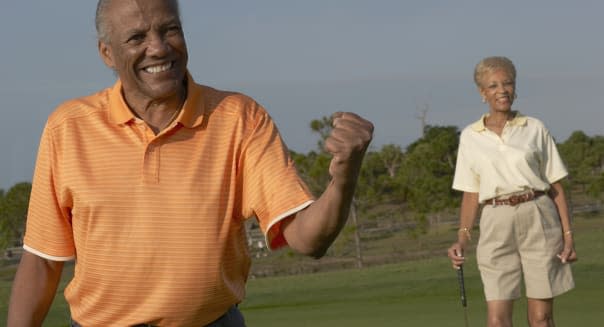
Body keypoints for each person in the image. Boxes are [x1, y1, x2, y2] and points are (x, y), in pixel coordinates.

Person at [7, 0, 373, 326]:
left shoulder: (239, 118)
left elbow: (309, 239)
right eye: (136, 38)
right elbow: (42, 261)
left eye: (171, 30)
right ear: (107, 53)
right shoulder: (68, 126)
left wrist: (344, 179)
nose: (158, 48)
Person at [447, 56, 577, 327]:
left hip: (539, 216)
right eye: (493, 85)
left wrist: (568, 236)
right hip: (495, 221)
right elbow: (471, 193)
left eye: (508, 83)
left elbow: (556, 186)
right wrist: (462, 239)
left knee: (541, 318)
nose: (502, 90)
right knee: (497, 321)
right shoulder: (471, 136)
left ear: (515, 88)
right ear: (483, 93)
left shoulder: (534, 128)